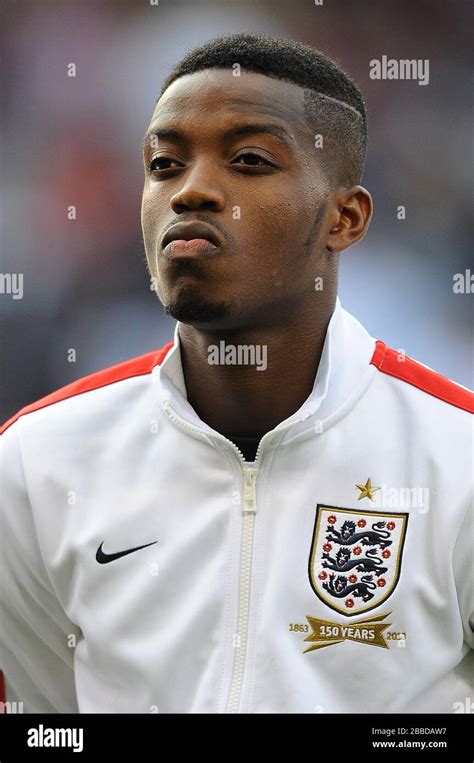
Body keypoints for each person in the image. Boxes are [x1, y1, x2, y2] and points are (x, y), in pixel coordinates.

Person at [0, 33, 472, 714]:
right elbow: (48, 715)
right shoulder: (34, 463)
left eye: (249, 159)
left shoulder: (458, 458)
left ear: (346, 217)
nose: (190, 190)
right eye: (164, 164)